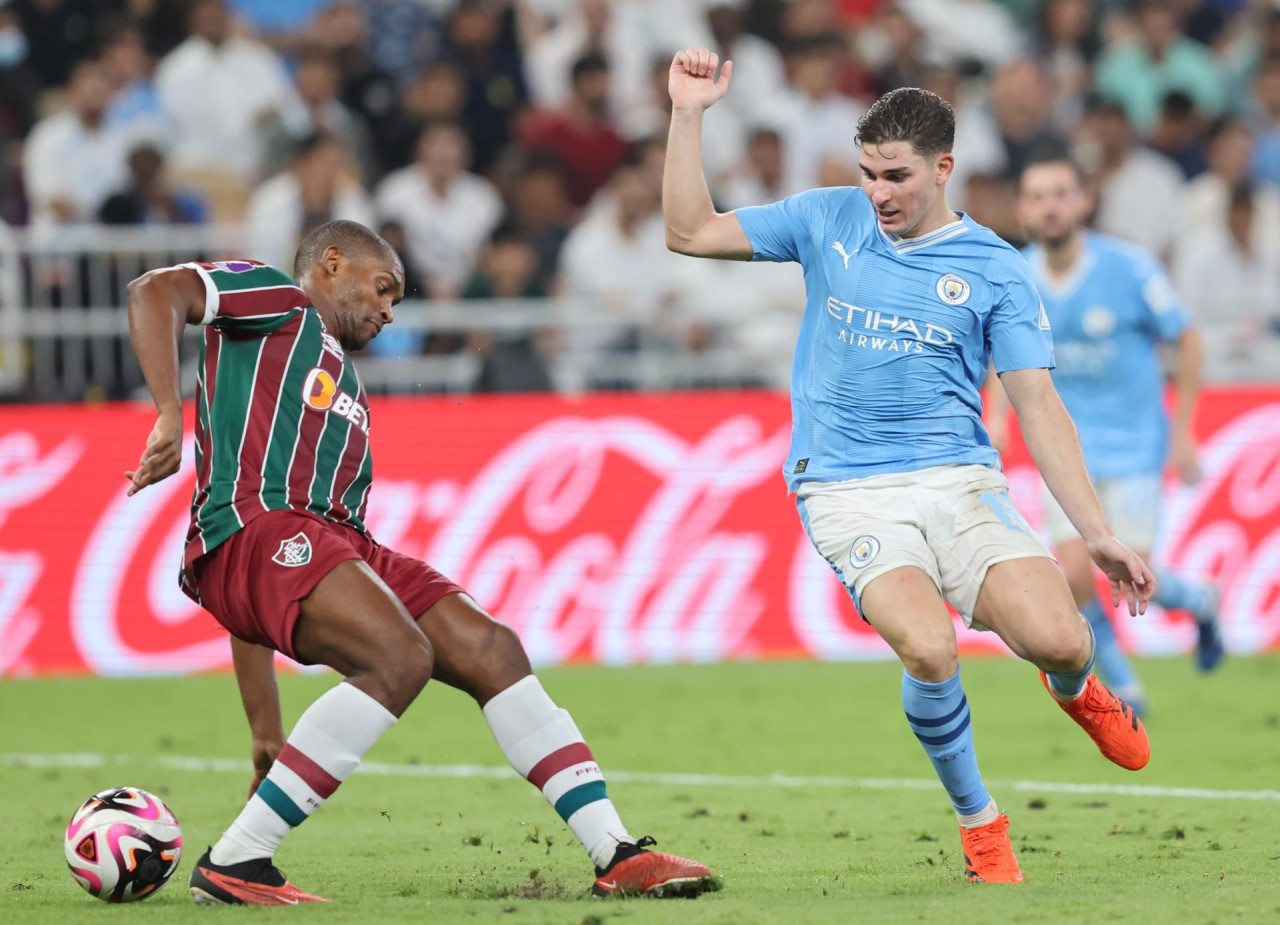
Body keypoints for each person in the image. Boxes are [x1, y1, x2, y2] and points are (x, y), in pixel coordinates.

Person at [662, 47, 1154, 885]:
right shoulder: (829, 218)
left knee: (1061, 636)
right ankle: (981, 823)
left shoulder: (997, 268)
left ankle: (1077, 684)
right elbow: (689, 232)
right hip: (847, 489)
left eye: (895, 176)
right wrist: (687, 113)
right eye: (868, 174)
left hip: (960, 482)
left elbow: (1037, 404)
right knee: (929, 650)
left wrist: (1096, 532)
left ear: (944, 167)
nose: (878, 193)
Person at [123, 220, 715, 905]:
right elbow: (154, 291)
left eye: (396, 300)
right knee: (400, 656)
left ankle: (614, 850)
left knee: (491, 647)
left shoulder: (342, 385)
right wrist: (168, 410)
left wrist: (264, 730)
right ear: (331, 264)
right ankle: (238, 860)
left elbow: (265, 595)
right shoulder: (278, 298)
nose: (388, 310)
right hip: (257, 526)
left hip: (325, 539)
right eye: (381, 289)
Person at [990, 149, 1225, 715]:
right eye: (1037, 196)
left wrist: (1184, 429)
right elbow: (1002, 354)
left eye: (1060, 194)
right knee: (1074, 576)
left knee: (1131, 575)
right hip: (1065, 450)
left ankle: (1199, 600)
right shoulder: (1014, 274)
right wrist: (996, 418)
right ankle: (1128, 689)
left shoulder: (1132, 268)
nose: (1049, 207)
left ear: (1084, 202)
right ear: (1022, 207)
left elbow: (1188, 341)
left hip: (1136, 445)